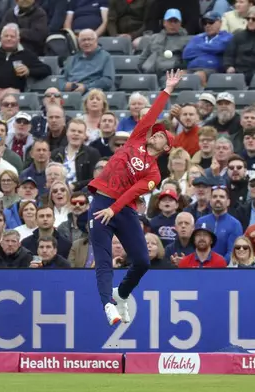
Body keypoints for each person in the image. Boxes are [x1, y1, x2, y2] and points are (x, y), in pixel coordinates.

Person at [87, 69, 181, 326]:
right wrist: (168, 89)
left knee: (141, 261)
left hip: (122, 209)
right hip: (100, 204)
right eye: (157, 132)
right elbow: (152, 115)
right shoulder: (137, 138)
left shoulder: (154, 172)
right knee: (103, 259)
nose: (157, 133)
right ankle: (108, 303)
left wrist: (114, 210)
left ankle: (122, 293)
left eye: (162, 135)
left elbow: (132, 192)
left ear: (166, 148)